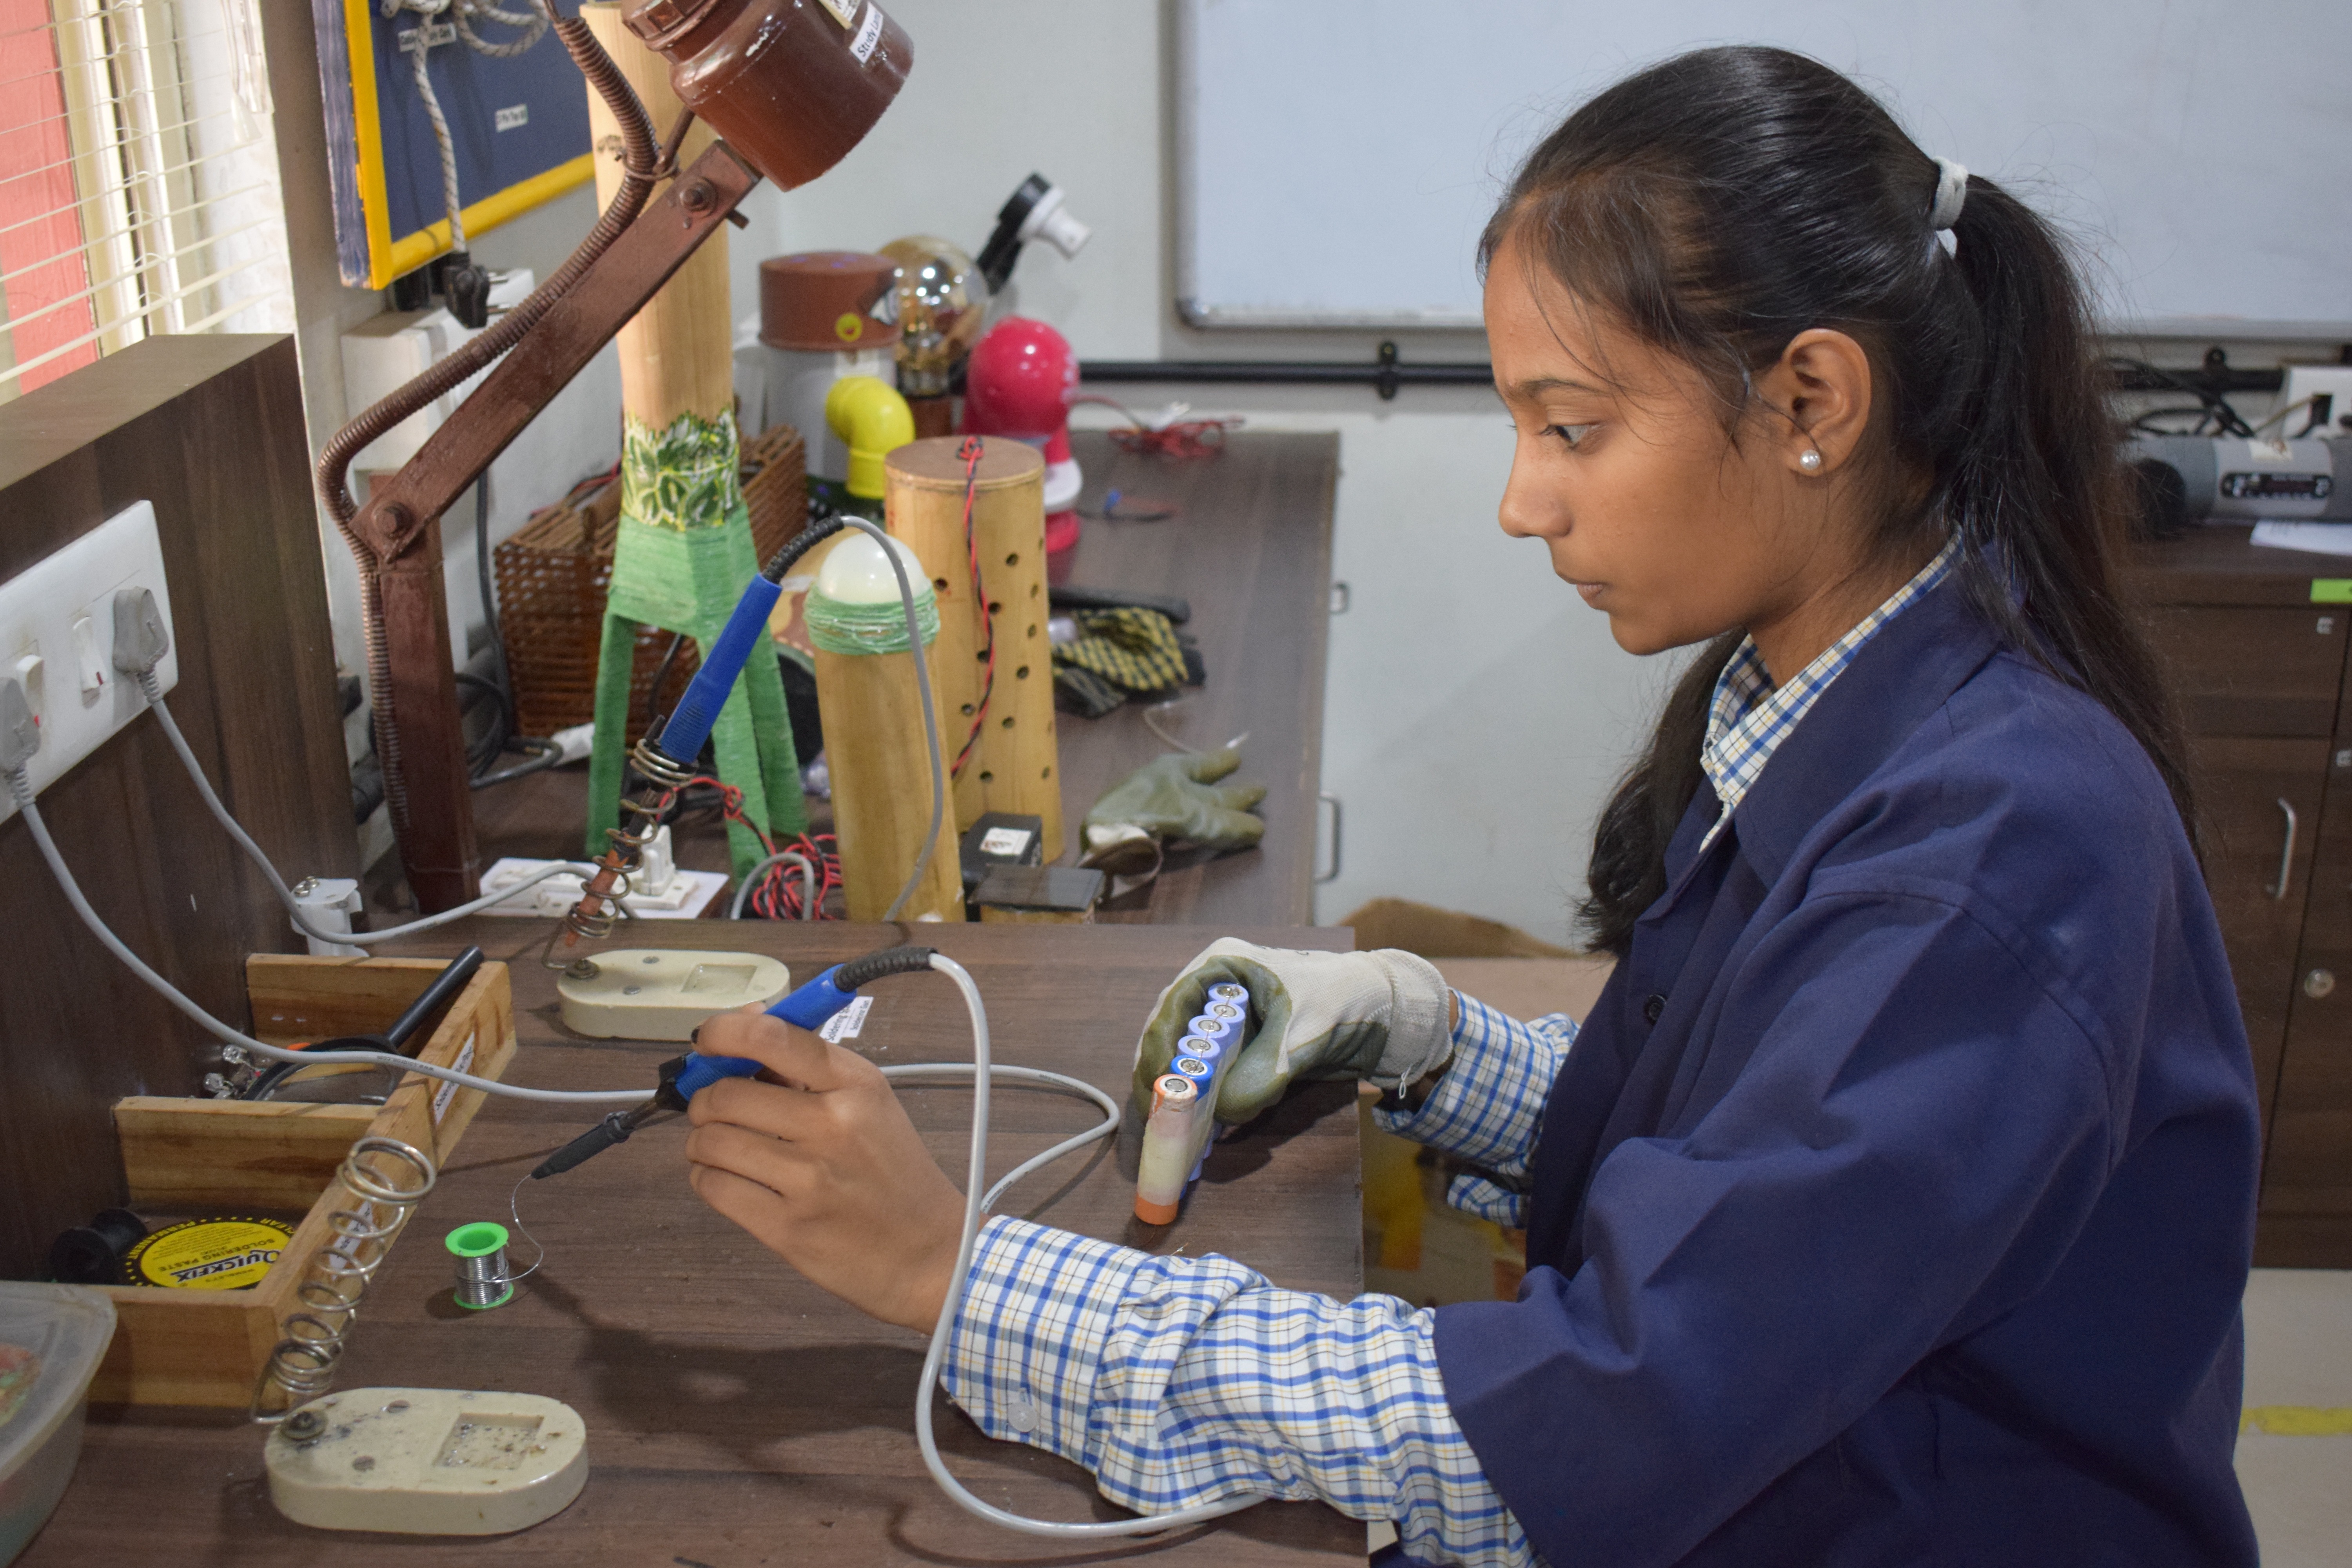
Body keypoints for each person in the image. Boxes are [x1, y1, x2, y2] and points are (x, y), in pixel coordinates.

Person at [677, 44, 2261, 1568]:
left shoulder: (1990, 865)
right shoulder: (1822, 695)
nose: (1523, 500)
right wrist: (1423, 1036)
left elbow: (1586, 1421)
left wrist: (953, 1269)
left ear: (1811, 403)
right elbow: (1743, 1124)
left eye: (1570, 426)